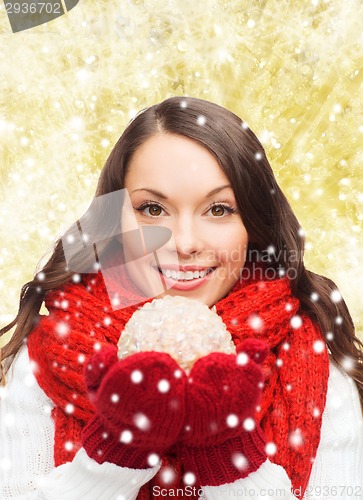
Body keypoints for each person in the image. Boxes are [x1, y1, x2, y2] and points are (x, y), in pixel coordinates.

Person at [0, 96, 362, 500]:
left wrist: (229, 456)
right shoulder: (41, 364)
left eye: (219, 209)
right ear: (112, 220)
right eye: (152, 208)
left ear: (253, 225)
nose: (185, 243)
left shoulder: (317, 370)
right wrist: (119, 450)